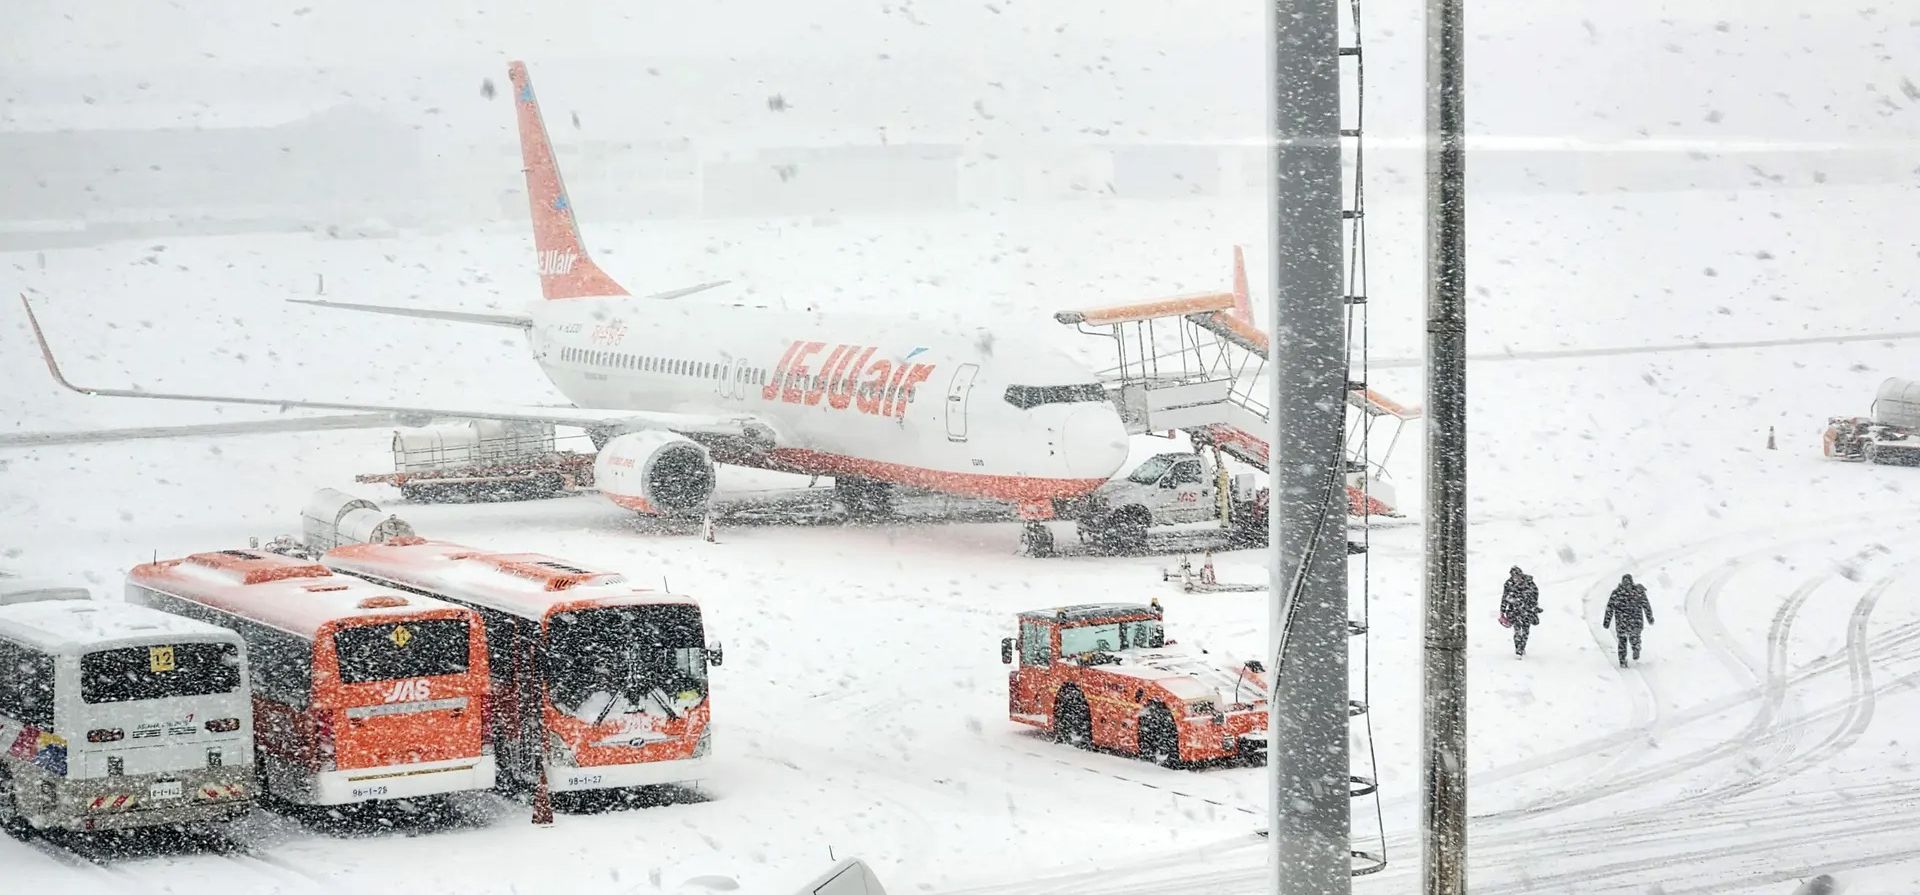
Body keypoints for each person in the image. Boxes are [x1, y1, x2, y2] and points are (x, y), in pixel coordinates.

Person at [1602, 573, 1654, 668]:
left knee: (1622, 641)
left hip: (1622, 621)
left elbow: (1610, 608)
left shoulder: (1617, 593)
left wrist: (1607, 621)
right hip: (1635, 620)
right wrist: (1649, 617)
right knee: (1634, 637)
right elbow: (1646, 606)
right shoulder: (1638, 592)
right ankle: (1636, 648)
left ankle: (1622, 660)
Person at [1500, 566, 1542, 657]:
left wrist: (1532, 605)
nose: (1516, 578)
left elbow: (1535, 594)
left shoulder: (1529, 583)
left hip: (1527, 610)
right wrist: (1502, 610)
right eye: (1514, 577)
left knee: (1525, 631)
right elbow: (1504, 597)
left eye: (1517, 576)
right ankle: (1518, 649)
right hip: (1514, 610)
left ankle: (1522, 647)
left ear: (1521, 575)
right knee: (1517, 630)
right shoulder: (1508, 584)